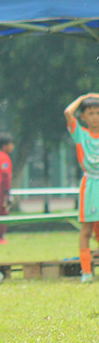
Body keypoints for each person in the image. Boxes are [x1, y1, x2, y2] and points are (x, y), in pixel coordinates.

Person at [64, 93, 99, 282]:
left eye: (98, 112)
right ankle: (86, 271)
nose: (95, 116)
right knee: (86, 230)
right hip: (90, 185)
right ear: (84, 116)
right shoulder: (80, 134)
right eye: (91, 113)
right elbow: (68, 112)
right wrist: (84, 97)